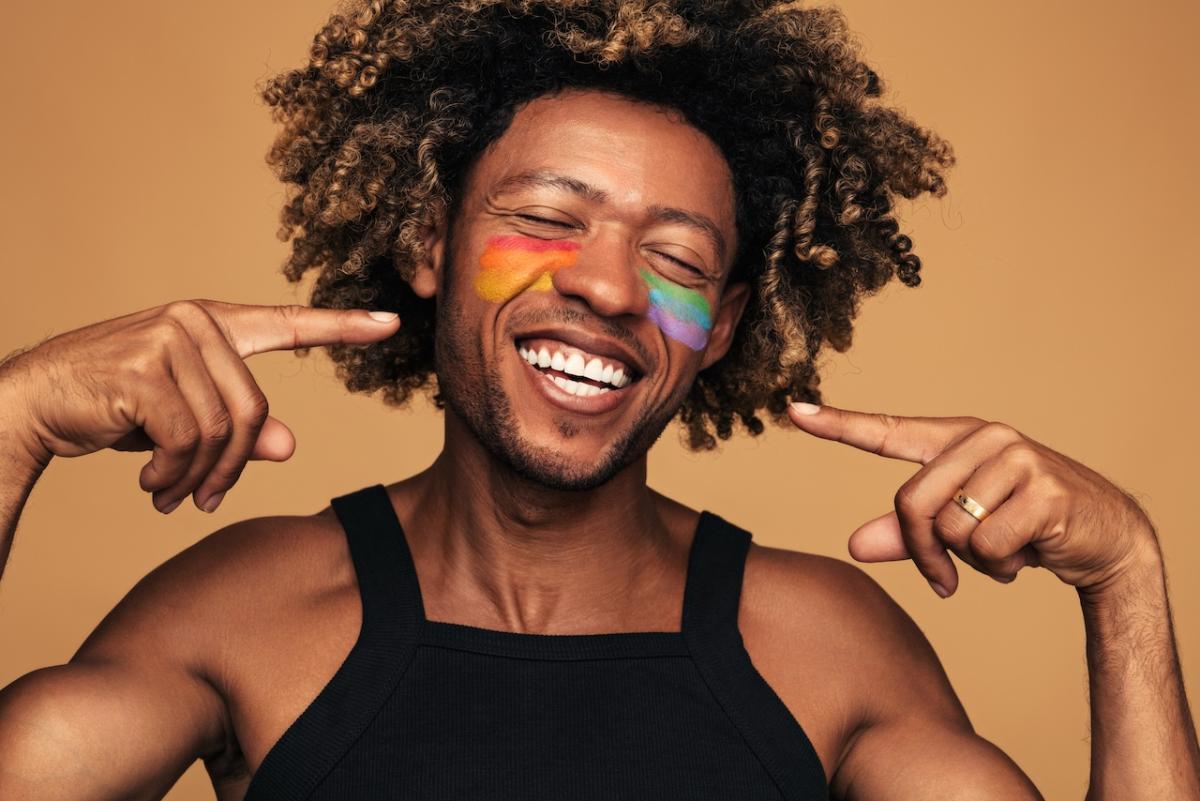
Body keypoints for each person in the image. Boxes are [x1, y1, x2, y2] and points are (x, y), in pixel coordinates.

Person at [0, 0, 1196, 798]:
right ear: (430, 243)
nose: (613, 286)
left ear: (721, 326)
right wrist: (13, 420)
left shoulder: (823, 650)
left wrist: (1124, 578)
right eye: (546, 218)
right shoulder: (242, 611)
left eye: (677, 259)